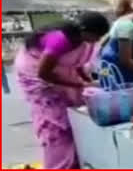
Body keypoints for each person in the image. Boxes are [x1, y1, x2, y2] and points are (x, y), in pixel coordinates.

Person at [14, 12, 110, 169]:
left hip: (58, 75)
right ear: (85, 31)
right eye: (96, 36)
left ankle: (74, 161)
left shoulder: (82, 41)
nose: (97, 40)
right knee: (58, 125)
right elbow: (43, 73)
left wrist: (88, 81)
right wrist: (77, 84)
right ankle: (59, 164)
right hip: (40, 78)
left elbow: (78, 64)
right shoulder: (60, 40)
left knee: (76, 118)